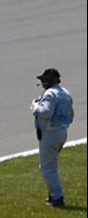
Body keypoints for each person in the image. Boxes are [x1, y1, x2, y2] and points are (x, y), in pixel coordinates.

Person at [31, 68, 74, 208]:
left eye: (43, 81)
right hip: (62, 131)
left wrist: (35, 106)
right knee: (51, 165)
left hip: (50, 134)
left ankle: (57, 197)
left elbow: (45, 112)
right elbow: (71, 115)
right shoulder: (65, 93)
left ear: (48, 81)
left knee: (47, 167)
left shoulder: (50, 94)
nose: (42, 83)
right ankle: (54, 194)